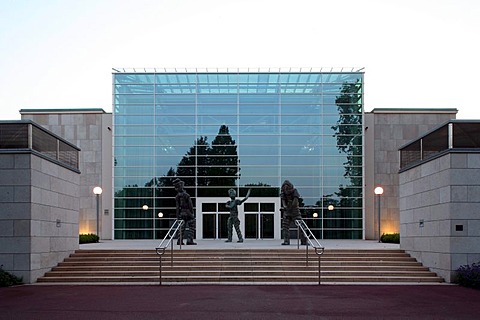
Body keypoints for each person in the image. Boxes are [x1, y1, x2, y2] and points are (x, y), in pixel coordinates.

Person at [280, 180, 305, 245]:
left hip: (295, 211)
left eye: (287, 186)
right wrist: (285, 207)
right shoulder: (283, 193)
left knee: (301, 226)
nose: (286, 188)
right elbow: (283, 202)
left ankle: (304, 241)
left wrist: (289, 207)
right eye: (284, 187)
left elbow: (295, 202)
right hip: (287, 211)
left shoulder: (294, 191)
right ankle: (286, 241)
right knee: (285, 226)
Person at [173, 178, 197, 245]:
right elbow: (190, 205)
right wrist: (192, 213)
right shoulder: (186, 195)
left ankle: (179, 240)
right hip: (188, 212)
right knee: (192, 226)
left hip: (182, 213)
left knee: (181, 227)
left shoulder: (177, 196)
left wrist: (177, 216)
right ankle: (189, 240)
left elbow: (177, 207)